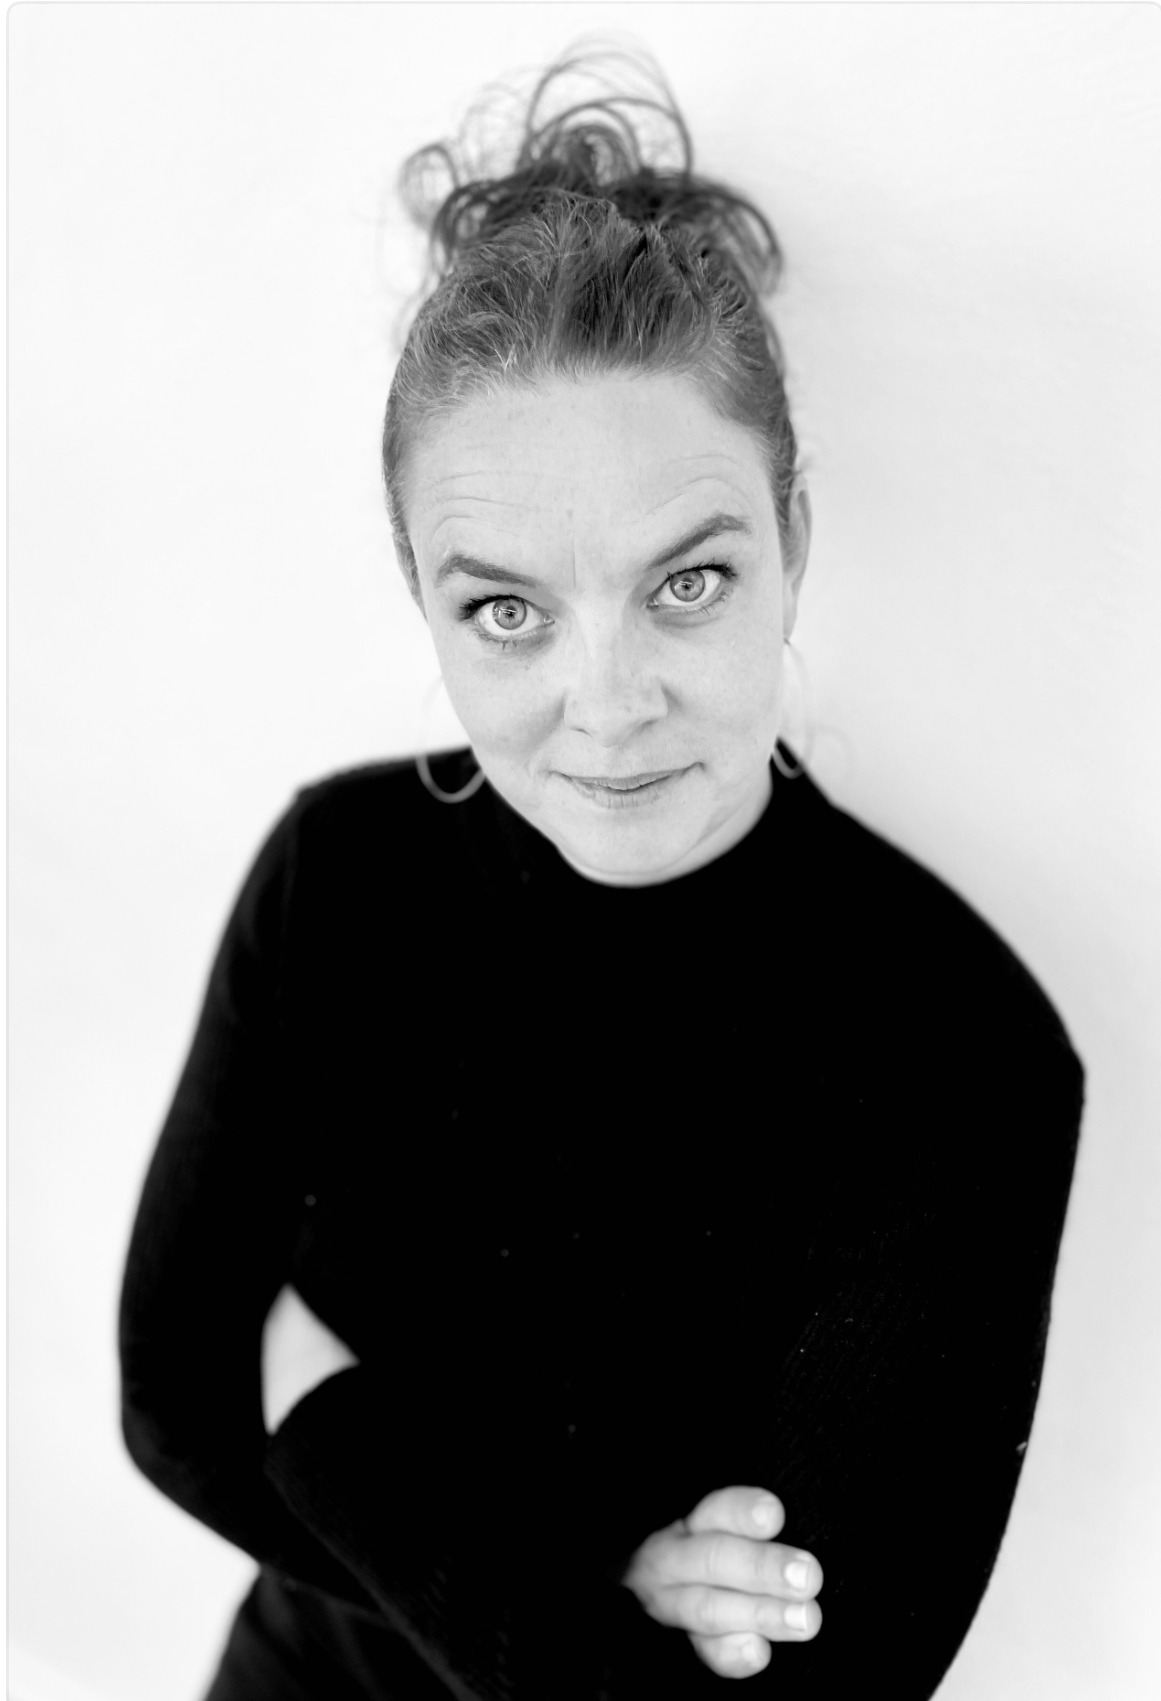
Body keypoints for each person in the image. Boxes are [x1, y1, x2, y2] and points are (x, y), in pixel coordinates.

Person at [118, 40, 1084, 1701]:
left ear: (791, 543)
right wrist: (615, 1570)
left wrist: (326, 1412)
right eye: (505, 609)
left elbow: (819, 1689)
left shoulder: (956, 1046)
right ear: (422, 598)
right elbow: (174, 1403)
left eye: (685, 583)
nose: (609, 702)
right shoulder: (336, 879)